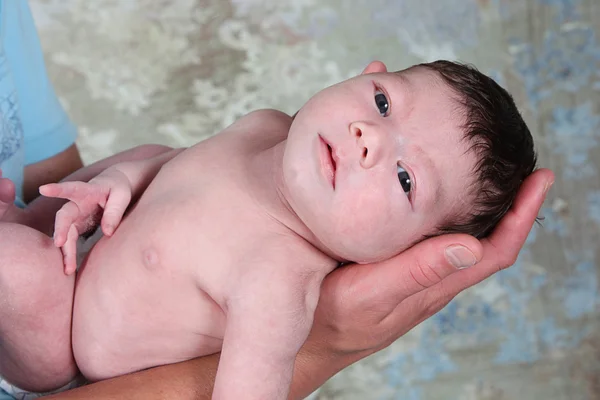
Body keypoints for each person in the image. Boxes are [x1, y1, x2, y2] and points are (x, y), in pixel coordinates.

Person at [1, 58, 540, 400]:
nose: (368, 136)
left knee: (17, 269)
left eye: (404, 178)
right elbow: (173, 168)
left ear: (403, 251)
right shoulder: (265, 125)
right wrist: (121, 179)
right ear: (366, 71)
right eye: (382, 102)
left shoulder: (278, 280)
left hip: (65, 340)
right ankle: (24, 217)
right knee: (148, 155)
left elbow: (250, 388)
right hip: (80, 245)